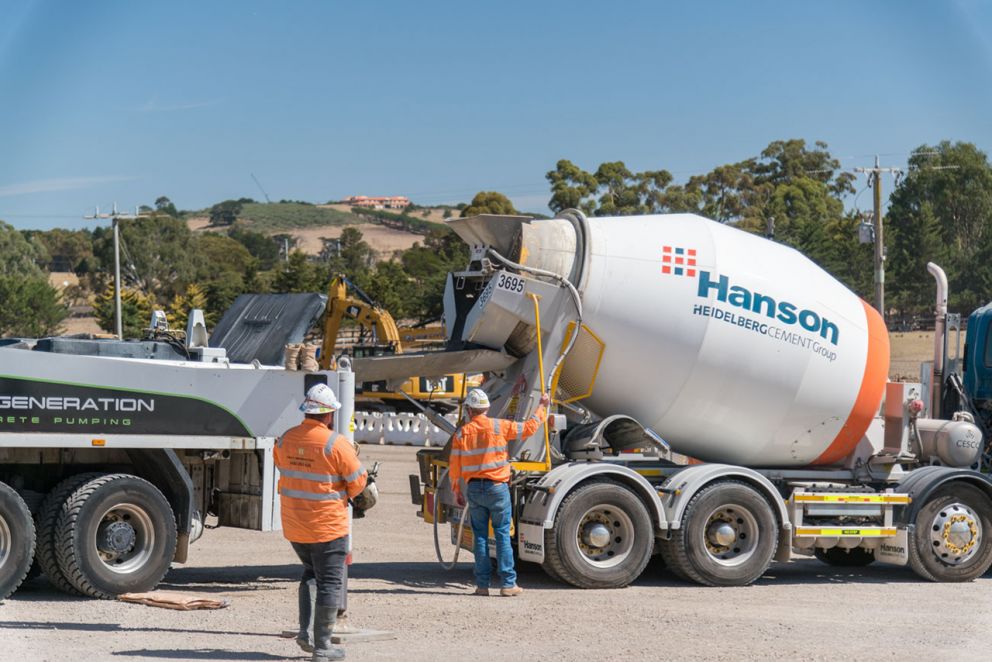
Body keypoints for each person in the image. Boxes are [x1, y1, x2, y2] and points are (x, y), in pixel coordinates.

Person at [274, 383, 367, 662]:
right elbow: (359, 482)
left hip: (296, 525)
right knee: (329, 583)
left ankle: (306, 634)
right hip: (327, 526)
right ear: (328, 415)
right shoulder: (335, 443)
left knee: (310, 574)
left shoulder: (285, 439)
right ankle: (323, 646)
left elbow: (283, 465)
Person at [449, 388, 550, 597]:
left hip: (474, 489)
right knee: (503, 535)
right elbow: (530, 428)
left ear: (469, 409)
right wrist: (542, 406)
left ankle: (482, 586)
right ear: (486, 408)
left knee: (480, 537)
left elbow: (454, 466)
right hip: (497, 488)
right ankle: (508, 584)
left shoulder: (461, 433)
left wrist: (457, 489)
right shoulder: (499, 426)